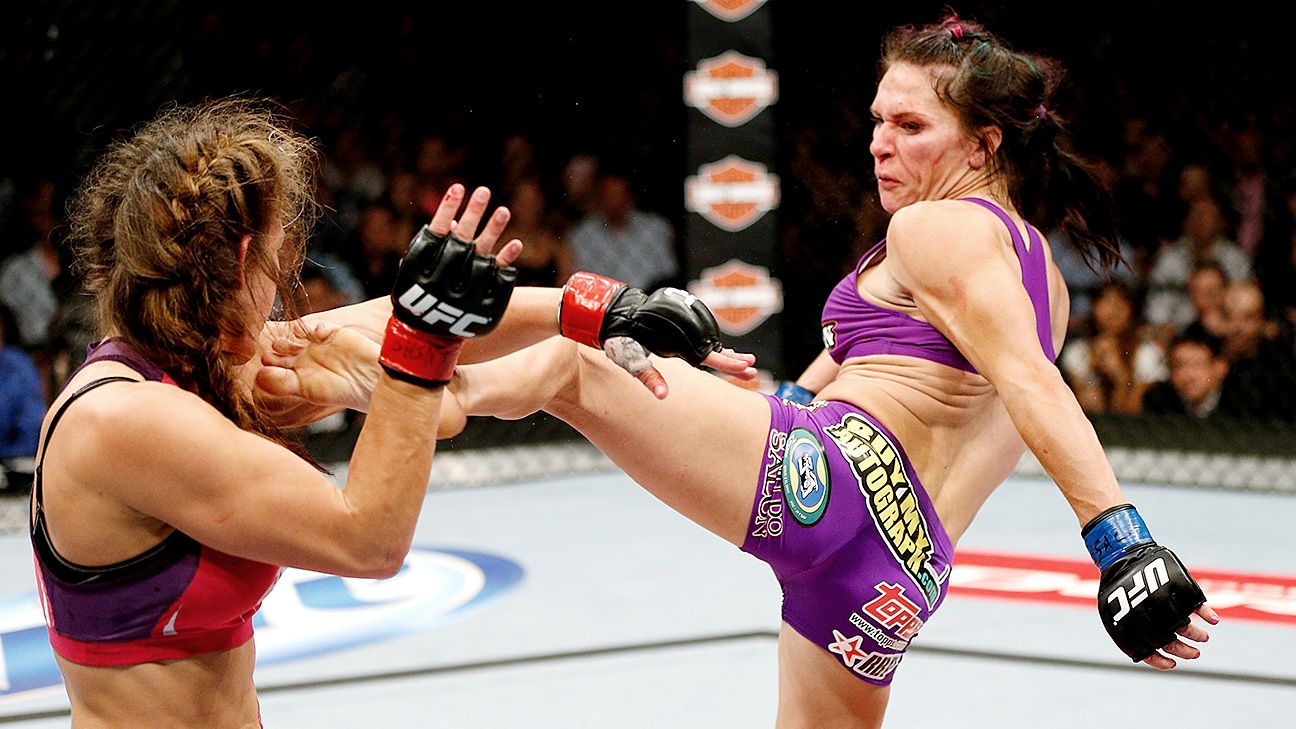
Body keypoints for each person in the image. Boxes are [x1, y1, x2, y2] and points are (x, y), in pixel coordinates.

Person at [275, 15, 1218, 728]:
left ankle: (379, 375)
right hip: (901, 570)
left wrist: (1121, 540)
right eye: (877, 120)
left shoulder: (935, 228)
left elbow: (1030, 387)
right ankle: (352, 367)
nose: (880, 142)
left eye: (910, 125)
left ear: (983, 144)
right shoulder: (1037, 273)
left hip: (843, 481)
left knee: (574, 354)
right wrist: (752, 399)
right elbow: (848, 381)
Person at [30, 96, 524, 728]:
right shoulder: (127, 421)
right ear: (244, 259)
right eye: (275, 257)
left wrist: (586, 311)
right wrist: (422, 344)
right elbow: (368, 541)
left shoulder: (186, 361)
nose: (278, 292)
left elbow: (379, 326)